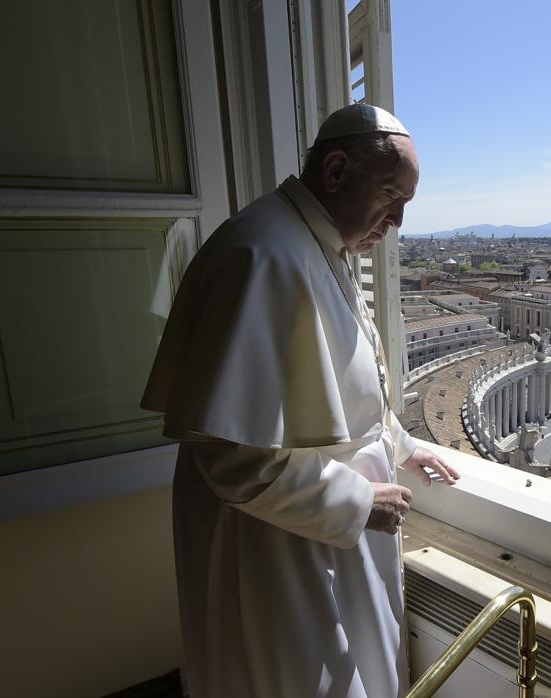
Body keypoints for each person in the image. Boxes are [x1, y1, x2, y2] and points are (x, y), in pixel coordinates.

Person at [141, 104, 460, 698]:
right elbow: (232, 457)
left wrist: (403, 445)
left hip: (319, 527)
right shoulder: (261, 255)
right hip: (274, 541)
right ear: (336, 170)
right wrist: (356, 499)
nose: (396, 224)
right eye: (392, 198)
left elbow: (349, 386)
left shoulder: (315, 244)